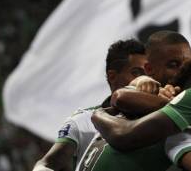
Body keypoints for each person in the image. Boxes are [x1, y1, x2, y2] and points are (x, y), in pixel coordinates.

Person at [73, 30, 191, 171]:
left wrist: (99, 115)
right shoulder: (139, 96)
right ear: (149, 69)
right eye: (173, 65)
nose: (183, 71)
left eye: (188, 64)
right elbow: (120, 98)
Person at [33, 39, 147, 171]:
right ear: (112, 76)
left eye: (148, 73)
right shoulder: (83, 120)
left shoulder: (161, 116)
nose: (144, 80)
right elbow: (48, 164)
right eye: (136, 73)